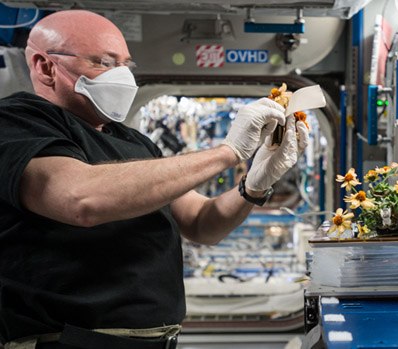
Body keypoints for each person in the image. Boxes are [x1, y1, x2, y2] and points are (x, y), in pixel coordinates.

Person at [0, 9, 309, 349]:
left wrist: (254, 186)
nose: (120, 76)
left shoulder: (133, 141)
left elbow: (201, 223)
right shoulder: (17, 124)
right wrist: (228, 152)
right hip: (68, 341)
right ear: (45, 67)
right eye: (103, 62)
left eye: (126, 65)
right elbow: (80, 199)